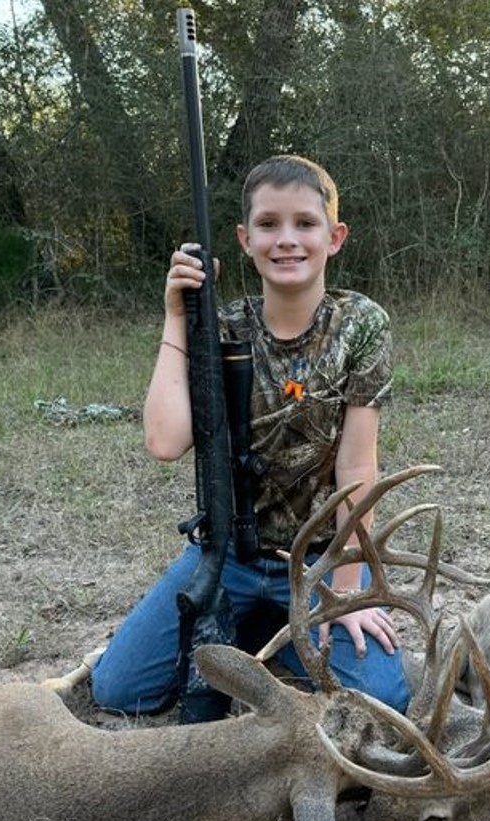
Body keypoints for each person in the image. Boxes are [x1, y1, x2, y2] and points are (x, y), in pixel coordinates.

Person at [91, 154, 410, 722]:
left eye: (305, 224)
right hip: (228, 558)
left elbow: (357, 469)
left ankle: (280, 622)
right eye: (268, 225)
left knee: (382, 699)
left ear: (334, 237)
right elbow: (165, 442)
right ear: (244, 239)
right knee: (119, 691)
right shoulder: (223, 325)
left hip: (316, 563)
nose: (287, 240)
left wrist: (343, 589)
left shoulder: (362, 323)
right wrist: (178, 316)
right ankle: (265, 623)